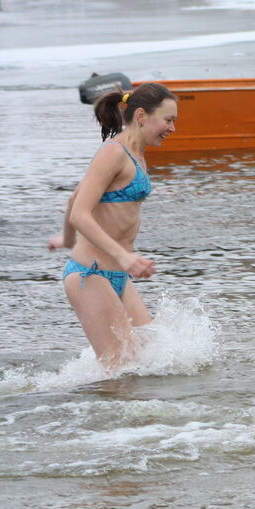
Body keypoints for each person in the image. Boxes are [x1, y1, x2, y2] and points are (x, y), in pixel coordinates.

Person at [47, 83, 178, 369]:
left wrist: (66, 240)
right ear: (142, 115)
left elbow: (74, 197)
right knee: (122, 374)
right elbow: (80, 213)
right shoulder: (113, 152)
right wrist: (125, 256)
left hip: (118, 277)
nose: (172, 129)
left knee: (151, 359)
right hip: (90, 276)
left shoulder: (138, 155)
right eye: (168, 120)